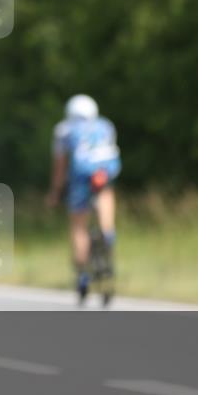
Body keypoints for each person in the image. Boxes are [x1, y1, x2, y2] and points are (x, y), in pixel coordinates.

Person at [46, 94, 121, 304]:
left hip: (80, 178)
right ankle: (107, 235)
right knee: (106, 198)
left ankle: (83, 275)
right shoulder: (106, 125)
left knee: (79, 227)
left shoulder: (64, 130)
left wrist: (55, 192)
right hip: (104, 175)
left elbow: (60, 165)